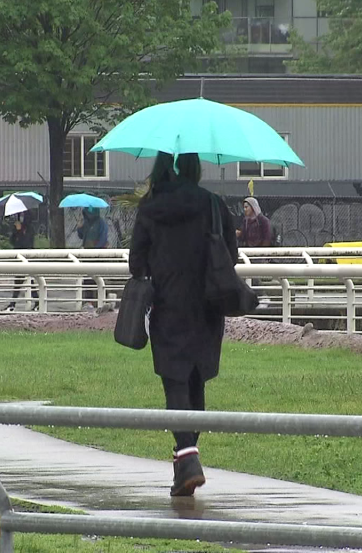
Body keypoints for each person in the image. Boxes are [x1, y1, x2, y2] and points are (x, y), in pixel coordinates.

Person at [128, 152, 237, 497]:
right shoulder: (214, 204)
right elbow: (230, 255)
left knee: (174, 380)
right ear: (195, 166)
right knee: (196, 379)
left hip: (168, 304)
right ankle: (185, 461)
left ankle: (187, 459)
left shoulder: (151, 208)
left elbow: (136, 263)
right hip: (207, 304)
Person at [77, 206, 109, 310]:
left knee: (99, 278)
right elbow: (82, 236)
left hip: (98, 254)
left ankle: (105, 299)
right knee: (87, 279)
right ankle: (89, 301)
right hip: (87, 254)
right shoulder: (86, 223)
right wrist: (79, 227)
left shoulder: (101, 223)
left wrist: (96, 249)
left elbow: (103, 238)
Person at [6, 213, 39, 312]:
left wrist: (20, 231)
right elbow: (12, 241)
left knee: (22, 281)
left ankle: (13, 304)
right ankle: (36, 302)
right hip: (19, 257)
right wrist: (16, 231)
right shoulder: (17, 227)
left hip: (27, 257)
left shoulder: (30, 229)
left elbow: (26, 243)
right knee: (24, 281)